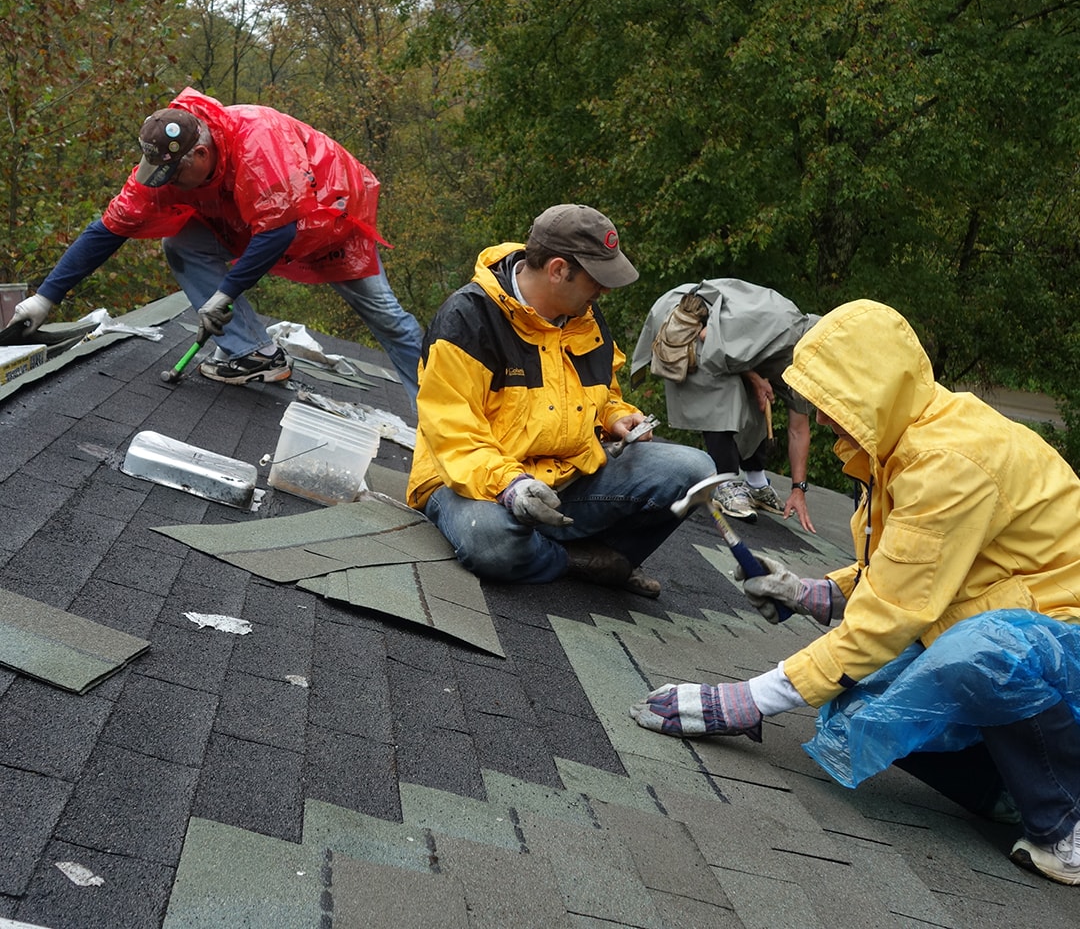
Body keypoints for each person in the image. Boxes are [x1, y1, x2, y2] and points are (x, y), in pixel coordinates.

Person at [630, 299, 1080, 886]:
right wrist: (809, 591)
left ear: (870, 392)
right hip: (1005, 614)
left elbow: (894, 612)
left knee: (985, 657)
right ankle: (1008, 789)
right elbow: (903, 573)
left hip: (1059, 639)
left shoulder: (950, 461)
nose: (821, 421)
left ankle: (1066, 824)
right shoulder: (903, 444)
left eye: (830, 405)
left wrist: (751, 700)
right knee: (863, 708)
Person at [6, 88, 423, 400]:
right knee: (181, 242)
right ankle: (254, 354)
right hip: (246, 216)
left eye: (173, 177)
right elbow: (111, 228)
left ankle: (440, 408)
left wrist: (221, 296)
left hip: (326, 218)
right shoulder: (167, 161)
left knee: (387, 319)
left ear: (202, 155)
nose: (164, 186)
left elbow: (279, 230)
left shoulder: (261, 143)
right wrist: (46, 298)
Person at [406, 203, 716, 598]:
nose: (603, 291)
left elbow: (604, 393)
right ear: (557, 270)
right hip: (473, 483)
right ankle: (579, 561)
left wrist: (616, 417)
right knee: (490, 539)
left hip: (563, 478)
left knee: (696, 469)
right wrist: (512, 486)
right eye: (597, 280)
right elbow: (453, 432)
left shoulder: (584, 315)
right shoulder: (468, 320)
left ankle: (588, 556)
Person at [631, 279, 817, 531]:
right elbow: (711, 340)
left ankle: (756, 482)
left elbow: (798, 429)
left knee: (756, 400)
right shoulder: (779, 324)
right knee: (724, 391)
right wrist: (754, 378)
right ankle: (724, 480)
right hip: (689, 318)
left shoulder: (810, 369)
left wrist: (798, 489)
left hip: (722, 341)